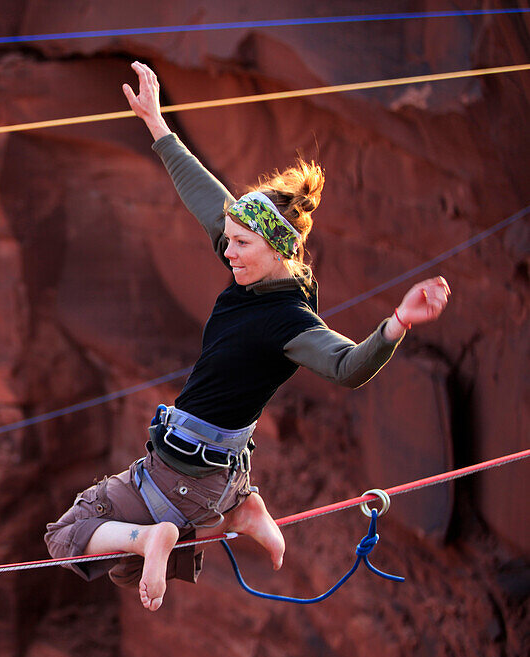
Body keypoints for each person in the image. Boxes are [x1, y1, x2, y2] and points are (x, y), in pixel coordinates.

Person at [44, 61, 451, 611]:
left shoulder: (290, 322)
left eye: (240, 244)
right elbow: (207, 199)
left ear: (277, 248)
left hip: (183, 473)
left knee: (70, 533)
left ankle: (152, 535)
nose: (227, 251)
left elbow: (348, 367)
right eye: (229, 239)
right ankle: (242, 508)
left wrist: (398, 322)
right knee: (153, 527)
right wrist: (157, 125)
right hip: (222, 474)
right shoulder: (265, 272)